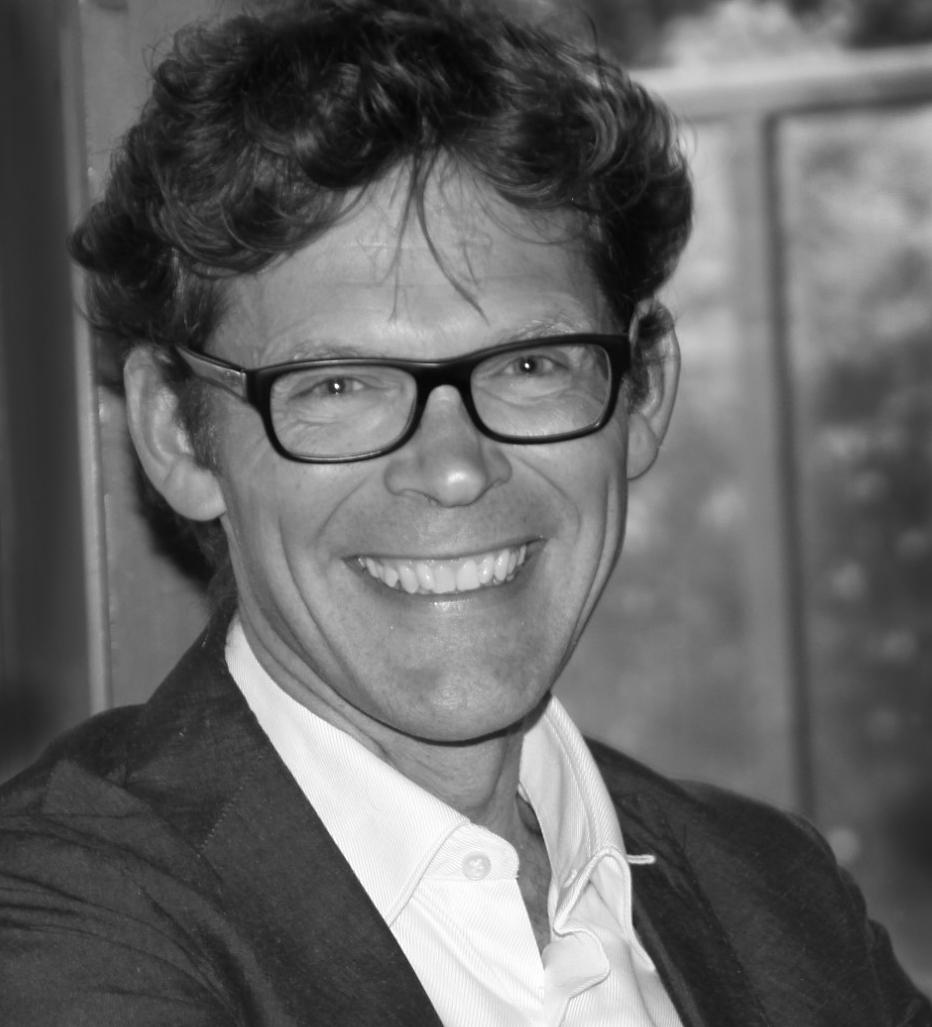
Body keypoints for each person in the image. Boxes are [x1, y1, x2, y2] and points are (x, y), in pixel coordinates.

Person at [0, 0, 928, 1023]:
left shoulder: (783, 903)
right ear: (179, 435)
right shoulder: (58, 926)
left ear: (643, 393)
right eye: (339, 384)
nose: (452, 470)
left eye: (530, 365)